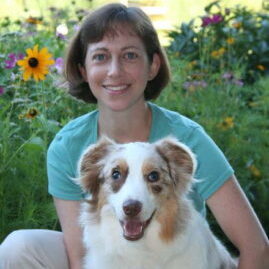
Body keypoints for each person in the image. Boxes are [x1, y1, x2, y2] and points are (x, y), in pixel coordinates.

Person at [0, 3, 268, 269]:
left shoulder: (188, 138)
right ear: (83, 70)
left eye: (129, 56)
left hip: (180, 258)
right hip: (111, 258)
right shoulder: (68, 146)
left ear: (152, 65)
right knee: (19, 248)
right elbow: (79, 256)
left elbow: (257, 248)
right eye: (101, 56)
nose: (114, 71)